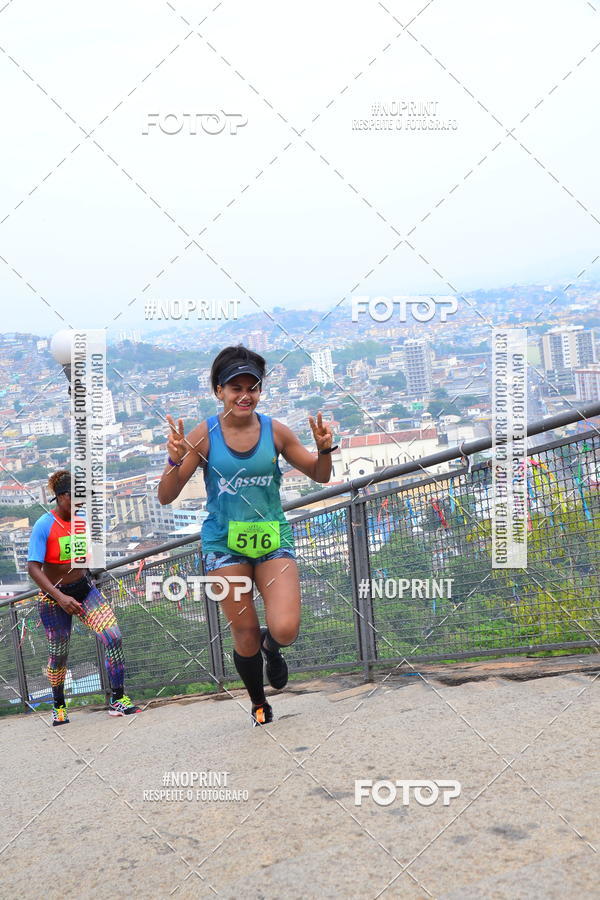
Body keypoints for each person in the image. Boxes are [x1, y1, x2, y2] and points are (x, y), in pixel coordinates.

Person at [158, 345, 336, 726]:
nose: (244, 395)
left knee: (285, 628)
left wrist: (325, 450)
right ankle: (258, 701)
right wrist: (174, 460)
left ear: (260, 390)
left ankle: (274, 648)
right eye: (234, 387)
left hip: (272, 539)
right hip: (223, 545)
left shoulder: (275, 432)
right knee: (245, 632)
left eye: (251, 387)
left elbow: (320, 476)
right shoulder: (204, 434)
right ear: (218, 390)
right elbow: (166, 495)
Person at [27, 470, 140, 725]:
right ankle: (58, 705)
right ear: (61, 497)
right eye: (76, 496)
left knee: (113, 637)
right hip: (53, 598)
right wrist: (59, 597)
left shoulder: (82, 521)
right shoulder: (44, 524)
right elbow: (33, 567)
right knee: (59, 654)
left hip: (84, 589)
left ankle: (118, 699)